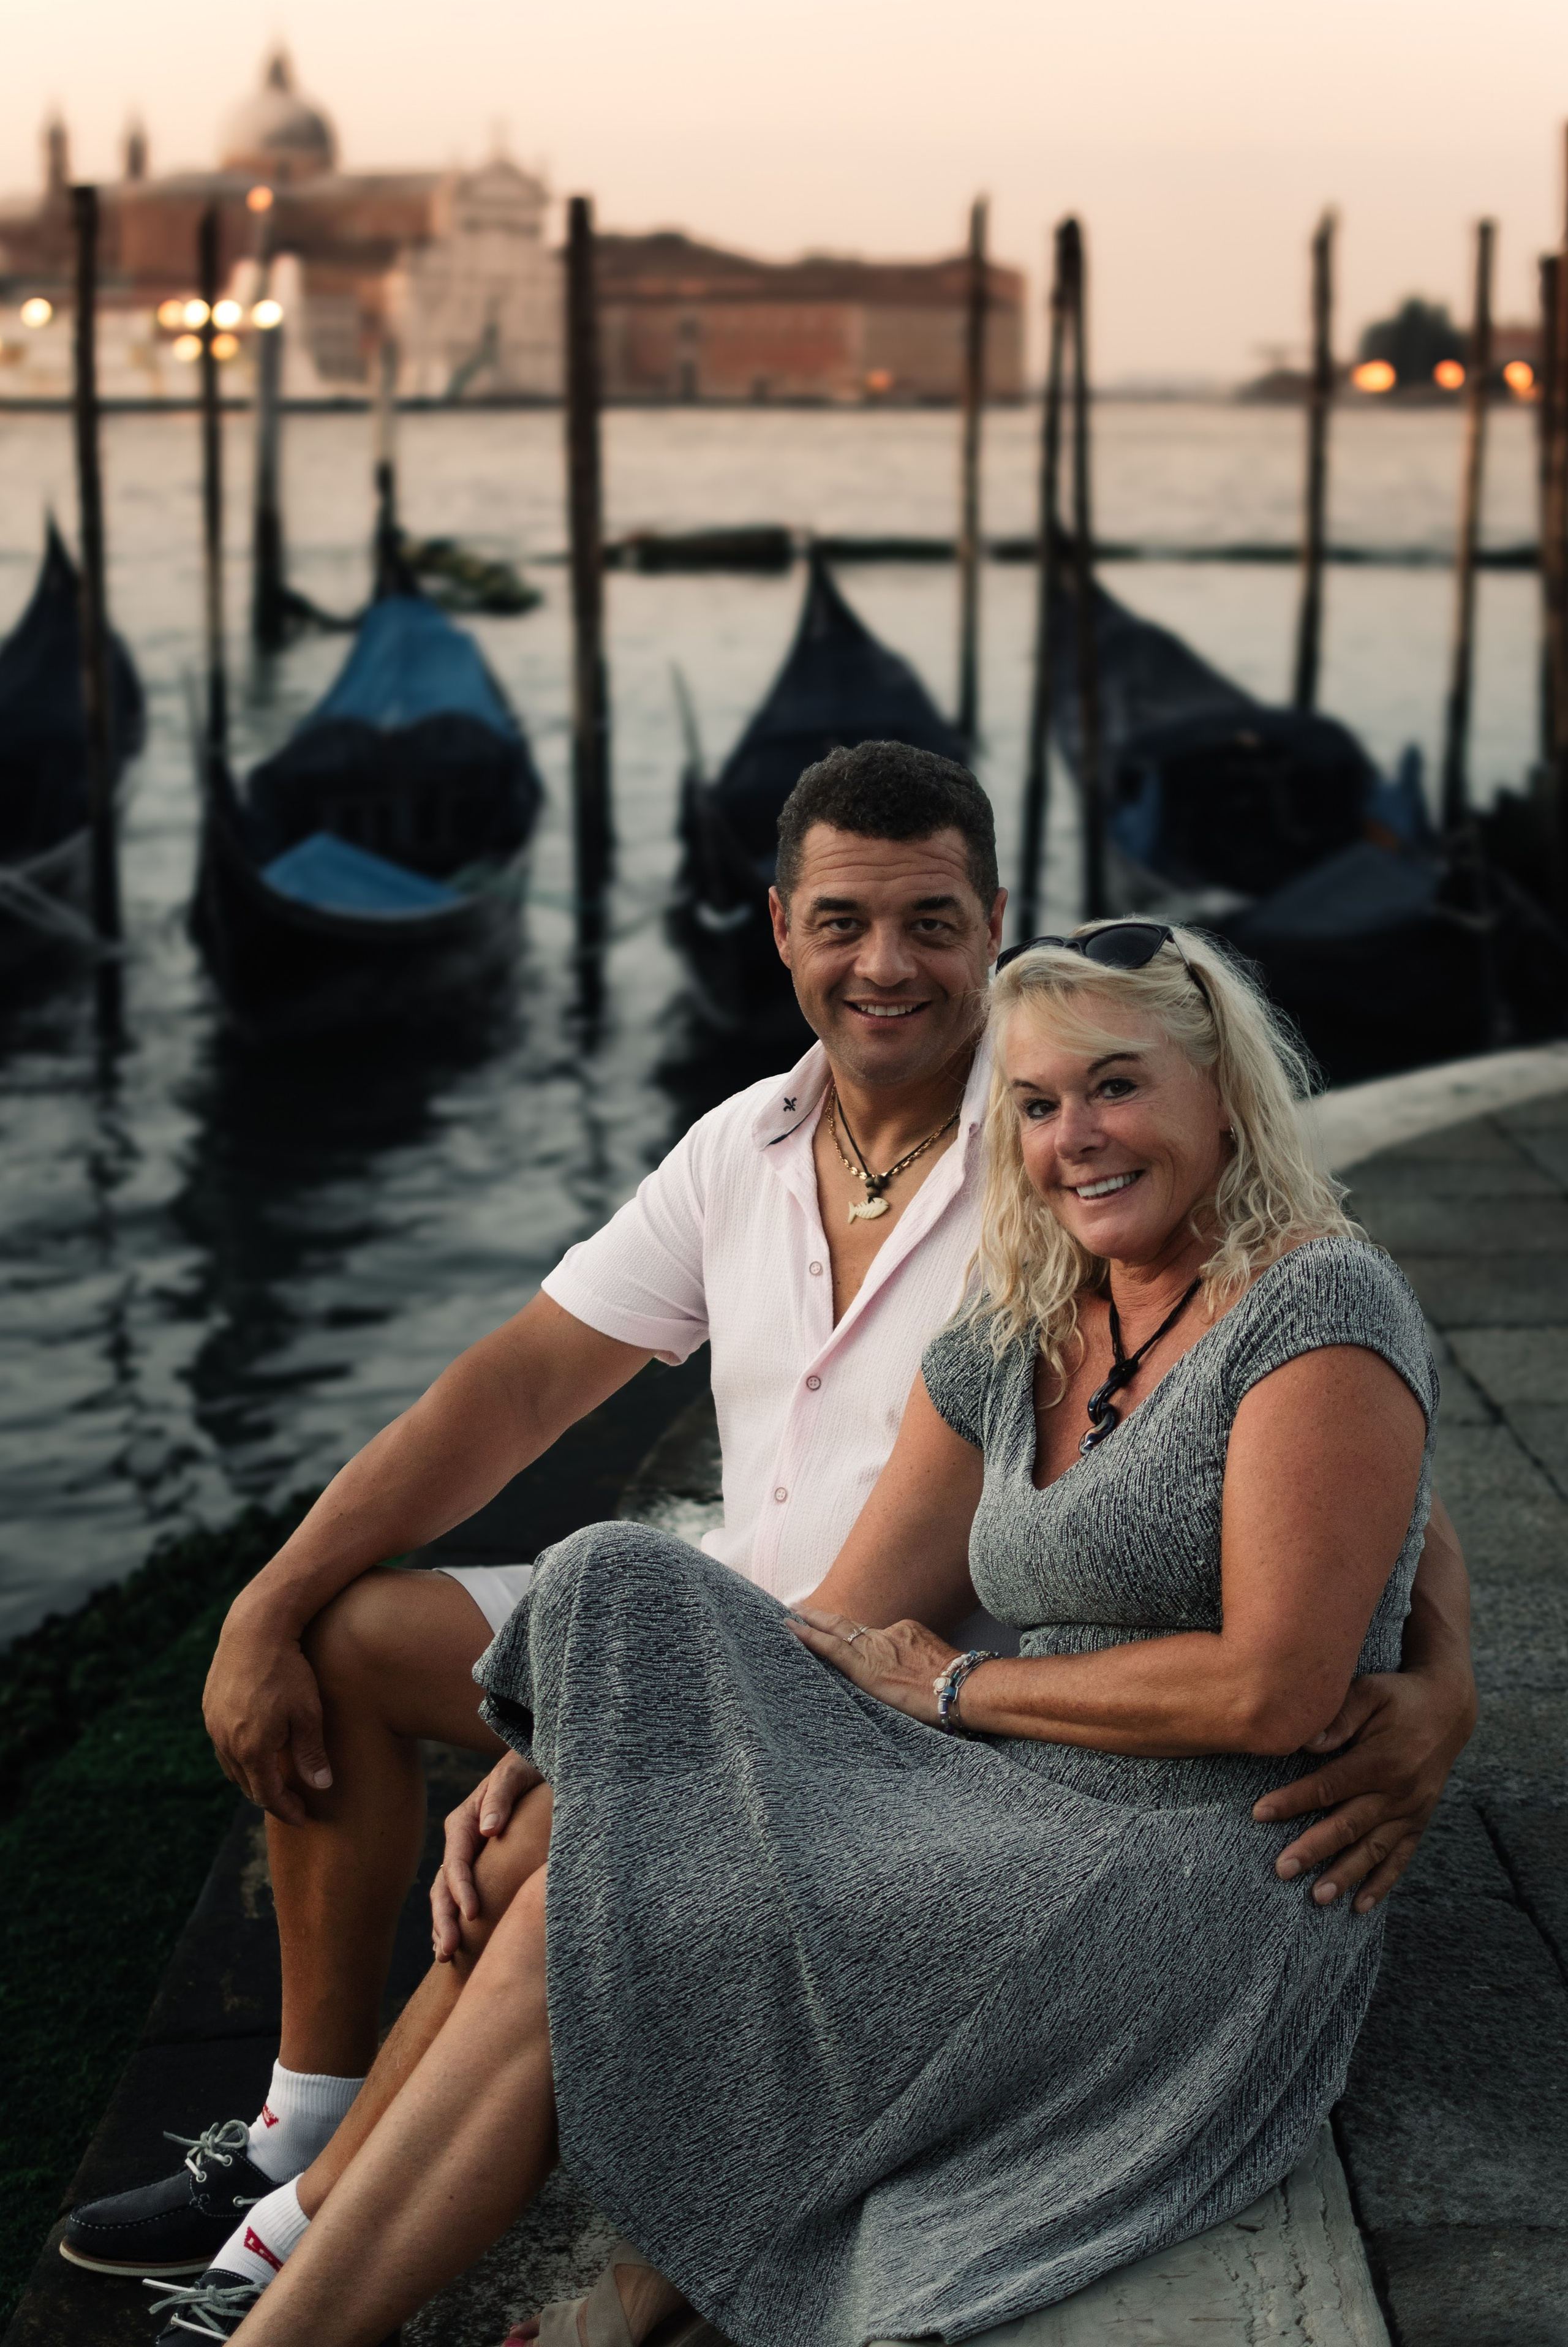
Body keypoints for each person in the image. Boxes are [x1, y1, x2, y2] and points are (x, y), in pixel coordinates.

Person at [63, 750, 1471, 2330]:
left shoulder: (1087, 1189)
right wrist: (283, 1600)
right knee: (371, 1642)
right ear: (781, 929)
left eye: (933, 923)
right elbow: (523, 1380)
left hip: (953, 1708)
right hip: (775, 1630)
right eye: (845, 924)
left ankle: (323, 2249)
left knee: (565, 1871)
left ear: (996, 928)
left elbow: (1344, 1420)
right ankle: (298, 2144)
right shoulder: (776, 1154)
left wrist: (1444, 1682)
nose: (888, 965)